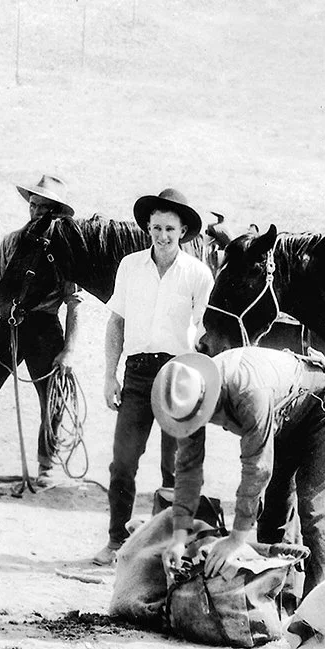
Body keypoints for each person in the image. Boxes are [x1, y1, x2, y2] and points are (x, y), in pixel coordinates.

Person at [152, 348, 325, 598]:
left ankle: (321, 611)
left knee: (313, 509)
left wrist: (235, 540)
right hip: (281, 415)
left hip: (321, 403)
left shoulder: (247, 392)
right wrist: (179, 536)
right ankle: (282, 601)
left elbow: (257, 468)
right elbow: (188, 470)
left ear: (209, 396)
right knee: (273, 514)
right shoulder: (187, 397)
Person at [92, 188, 212, 568]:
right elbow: (116, 322)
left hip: (180, 373)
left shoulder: (198, 273)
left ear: (183, 232)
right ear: (147, 227)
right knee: (123, 461)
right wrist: (110, 375)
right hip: (138, 373)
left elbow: (206, 331)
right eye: (157, 227)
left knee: (174, 465)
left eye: (170, 229)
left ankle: (167, 548)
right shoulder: (129, 266)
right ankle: (115, 541)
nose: (162, 236)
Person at [0, 175, 83, 485]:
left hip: (44, 329)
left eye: (43, 207)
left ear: (56, 212)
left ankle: (46, 466)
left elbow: (73, 302)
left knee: (53, 398)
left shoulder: (65, 248)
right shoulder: (12, 240)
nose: (36, 212)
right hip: (7, 326)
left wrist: (68, 350)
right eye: (33, 205)